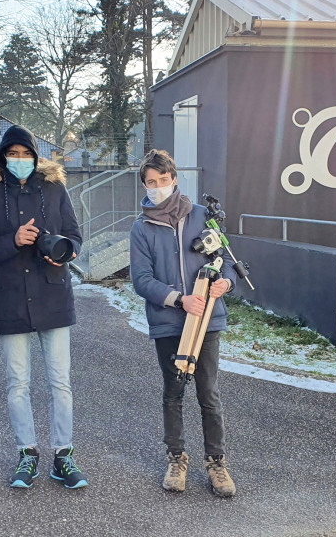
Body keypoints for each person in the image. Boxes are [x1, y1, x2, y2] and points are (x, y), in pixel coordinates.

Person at [0, 125, 88, 490]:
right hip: (9, 298)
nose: (19, 160)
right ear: (3, 157)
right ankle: (27, 455)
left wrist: (66, 250)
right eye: (12, 154)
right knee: (18, 383)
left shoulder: (55, 189)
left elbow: (75, 235)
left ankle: (63, 456)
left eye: (26, 154)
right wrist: (13, 241)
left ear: (36, 157)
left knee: (60, 382)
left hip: (52, 294)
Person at [129, 149, 238, 497]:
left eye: (163, 180)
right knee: (174, 393)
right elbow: (141, 280)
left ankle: (216, 463)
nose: (158, 187)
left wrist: (226, 283)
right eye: (151, 182)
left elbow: (228, 262)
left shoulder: (204, 216)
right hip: (168, 322)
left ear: (174, 178)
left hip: (207, 321)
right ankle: (177, 459)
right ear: (144, 185)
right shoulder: (141, 227)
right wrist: (179, 299)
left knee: (209, 393)